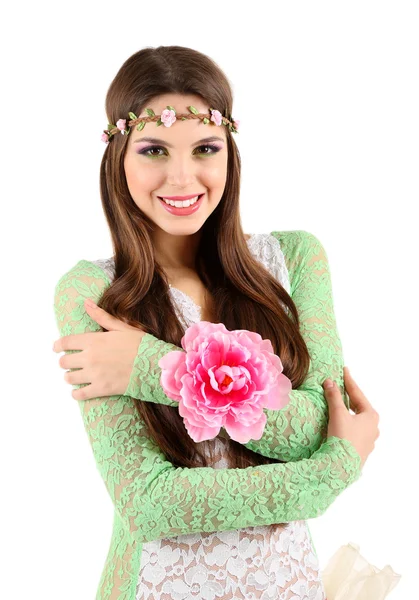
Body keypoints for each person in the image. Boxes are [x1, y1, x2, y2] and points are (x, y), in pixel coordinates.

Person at [53, 46, 383, 600]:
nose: (182, 177)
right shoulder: (91, 294)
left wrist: (161, 368)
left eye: (204, 148)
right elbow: (148, 504)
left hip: (288, 586)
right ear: (119, 160)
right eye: (154, 149)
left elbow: (313, 428)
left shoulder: (296, 260)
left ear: (228, 154)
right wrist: (333, 472)